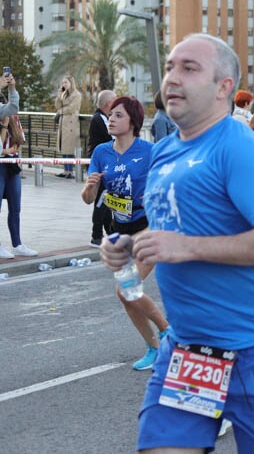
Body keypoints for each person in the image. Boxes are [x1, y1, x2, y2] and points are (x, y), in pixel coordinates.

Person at [99, 34, 254, 453]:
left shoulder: (240, 148)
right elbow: (173, 229)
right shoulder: (163, 154)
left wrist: (189, 247)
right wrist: (130, 243)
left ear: (223, 87)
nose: (172, 78)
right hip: (189, 350)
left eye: (189, 68)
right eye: (172, 66)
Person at [82, 96, 167, 370]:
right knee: (126, 293)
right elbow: (87, 198)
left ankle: (167, 331)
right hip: (120, 231)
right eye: (111, 115)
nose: (112, 120)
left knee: (125, 288)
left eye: (118, 115)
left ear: (133, 121)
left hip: (149, 226)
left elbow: (168, 187)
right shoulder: (101, 153)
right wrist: (91, 186)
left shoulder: (150, 151)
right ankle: (154, 347)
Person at [0, 115, 36, 258]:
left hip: (12, 164)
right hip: (0, 164)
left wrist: (8, 151)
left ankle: (17, 244)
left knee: (15, 207)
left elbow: (19, 141)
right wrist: (4, 125)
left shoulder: (14, 117)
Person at [86, 90, 115, 247]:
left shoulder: (103, 118)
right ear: (107, 104)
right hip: (100, 165)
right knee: (102, 199)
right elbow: (111, 136)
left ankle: (109, 232)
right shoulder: (99, 119)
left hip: (104, 164)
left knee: (105, 199)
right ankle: (96, 235)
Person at [55, 75, 82, 177]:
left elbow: (71, 108)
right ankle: (66, 170)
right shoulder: (64, 94)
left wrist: (61, 111)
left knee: (70, 147)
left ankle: (70, 170)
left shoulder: (77, 95)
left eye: (66, 82)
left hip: (71, 123)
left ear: (71, 83)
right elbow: (57, 106)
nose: (64, 84)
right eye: (63, 83)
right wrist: (59, 95)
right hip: (63, 122)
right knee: (64, 146)